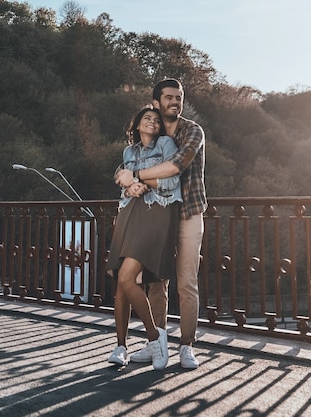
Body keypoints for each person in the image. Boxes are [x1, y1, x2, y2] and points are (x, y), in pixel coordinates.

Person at [116, 78, 206, 369]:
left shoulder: (192, 131)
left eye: (178, 97)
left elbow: (177, 165)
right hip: (158, 215)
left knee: (187, 282)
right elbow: (125, 165)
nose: (174, 102)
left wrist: (137, 177)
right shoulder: (151, 133)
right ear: (156, 102)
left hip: (188, 213)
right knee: (156, 282)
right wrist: (123, 178)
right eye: (168, 97)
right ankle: (157, 344)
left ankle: (187, 346)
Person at [107, 105, 183, 370]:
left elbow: (172, 181)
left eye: (156, 120)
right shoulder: (129, 151)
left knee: (128, 276)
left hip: (156, 211)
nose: (152, 122)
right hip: (129, 212)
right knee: (121, 282)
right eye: (146, 118)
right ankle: (120, 346)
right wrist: (129, 187)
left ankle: (154, 338)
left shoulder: (165, 144)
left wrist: (139, 180)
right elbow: (123, 187)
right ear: (137, 124)